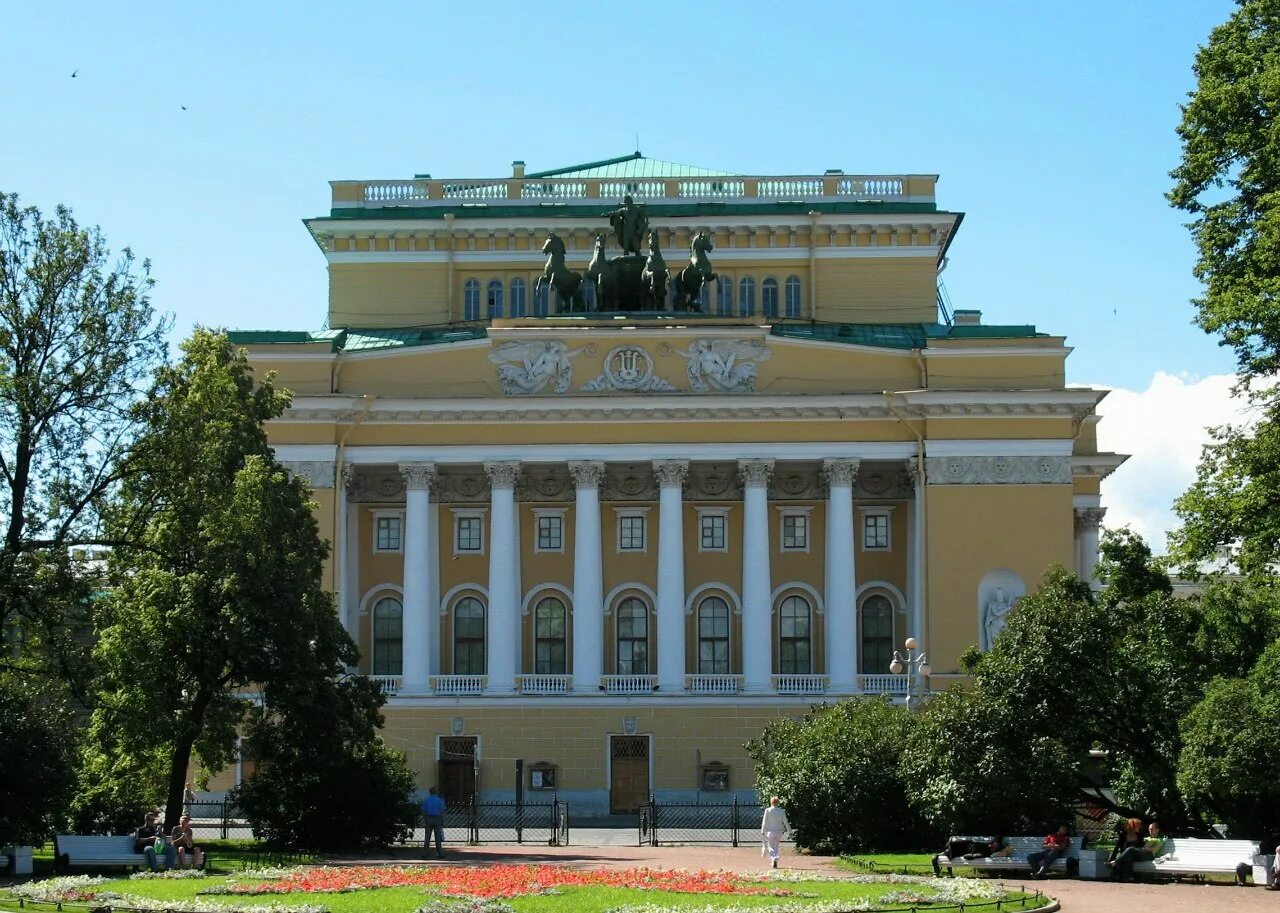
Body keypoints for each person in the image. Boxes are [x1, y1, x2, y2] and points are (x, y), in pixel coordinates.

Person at [760, 796, 791, 869]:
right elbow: (785, 822)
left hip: (770, 831)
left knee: (770, 846)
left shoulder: (768, 810)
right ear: (778, 802)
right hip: (779, 832)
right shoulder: (781, 811)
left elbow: (764, 821)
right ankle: (774, 860)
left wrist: (762, 830)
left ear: (771, 802)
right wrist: (790, 831)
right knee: (776, 846)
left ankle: (774, 858)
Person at [422, 787, 446, 859]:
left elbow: (423, 811)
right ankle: (439, 853)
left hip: (429, 818)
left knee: (427, 837)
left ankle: (425, 854)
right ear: (436, 792)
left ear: (429, 792)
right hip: (437, 819)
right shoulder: (439, 800)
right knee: (438, 837)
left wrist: (425, 819)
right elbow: (442, 811)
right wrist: (442, 821)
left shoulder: (426, 800)